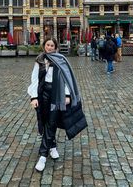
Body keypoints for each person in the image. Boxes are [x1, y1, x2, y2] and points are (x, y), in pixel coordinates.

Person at [28, 37, 87, 172]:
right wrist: (34, 97)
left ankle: (43, 155)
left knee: (52, 122)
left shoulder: (60, 60)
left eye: (52, 45)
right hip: (43, 94)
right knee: (44, 121)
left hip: (56, 94)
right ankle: (53, 146)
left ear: (55, 47)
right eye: (47, 45)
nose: (49, 47)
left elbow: (66, 78)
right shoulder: (40, 60)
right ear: (44, 46)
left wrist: (67, 95)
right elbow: (34, 78)